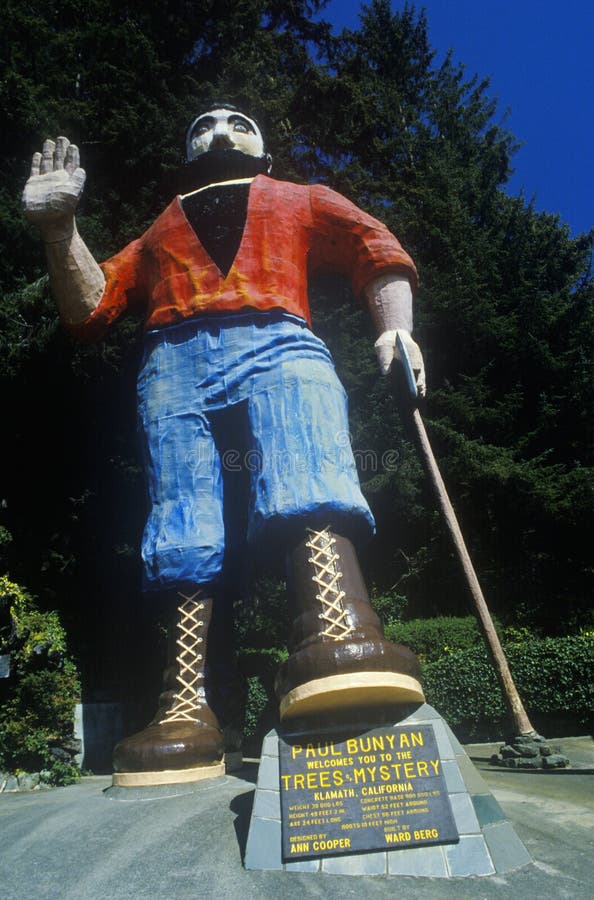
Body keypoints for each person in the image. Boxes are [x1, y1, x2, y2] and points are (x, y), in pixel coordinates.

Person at [22, 105, 427, 786]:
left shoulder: (300, 198)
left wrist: (396, 328)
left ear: (263, 146)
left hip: (279, 336)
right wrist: (61, 230)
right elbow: (90, 308)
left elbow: (373, 246)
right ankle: (186, 701)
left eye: (237, 121)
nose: (219, 130)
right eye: (203, 124)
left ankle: (334, 623)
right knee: (183, 517)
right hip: (172, 360)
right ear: (186, 151)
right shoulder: (160, 230)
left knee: (305, 454)